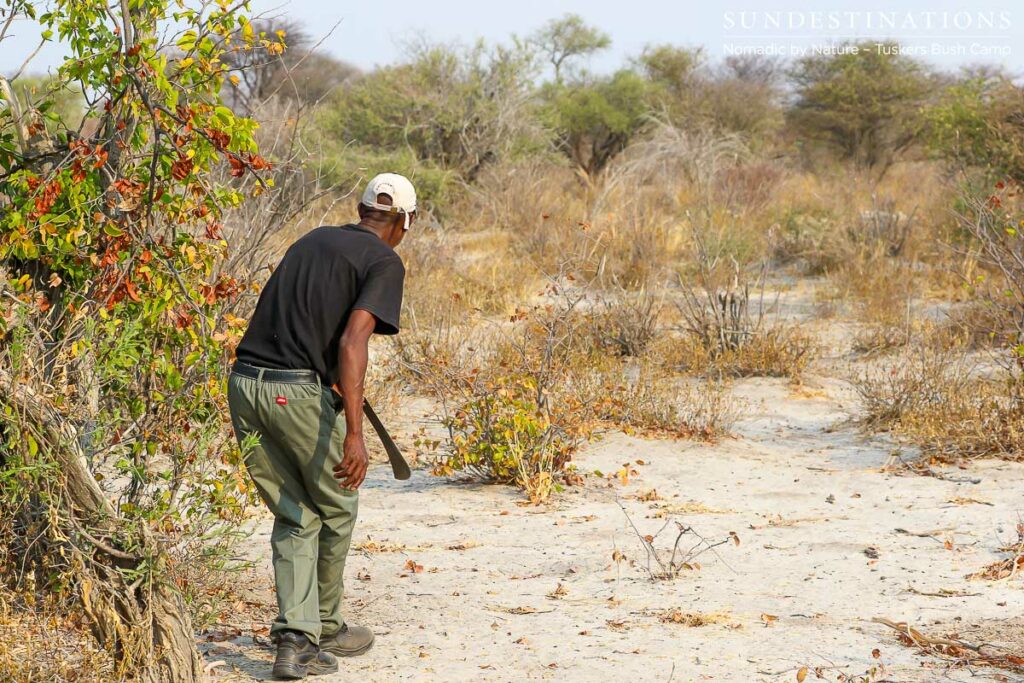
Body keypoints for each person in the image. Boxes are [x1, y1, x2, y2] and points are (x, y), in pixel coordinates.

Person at [227, 173, 415, 679]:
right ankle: (325, 627)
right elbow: (353, 342)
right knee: (335, 507)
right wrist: (355, 434)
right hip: (295, 393)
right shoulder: (384, 260)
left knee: (295, 513)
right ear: (404, 222)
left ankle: (294, 640)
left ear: (361, 210)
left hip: (245, 384)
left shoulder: (312, 238)